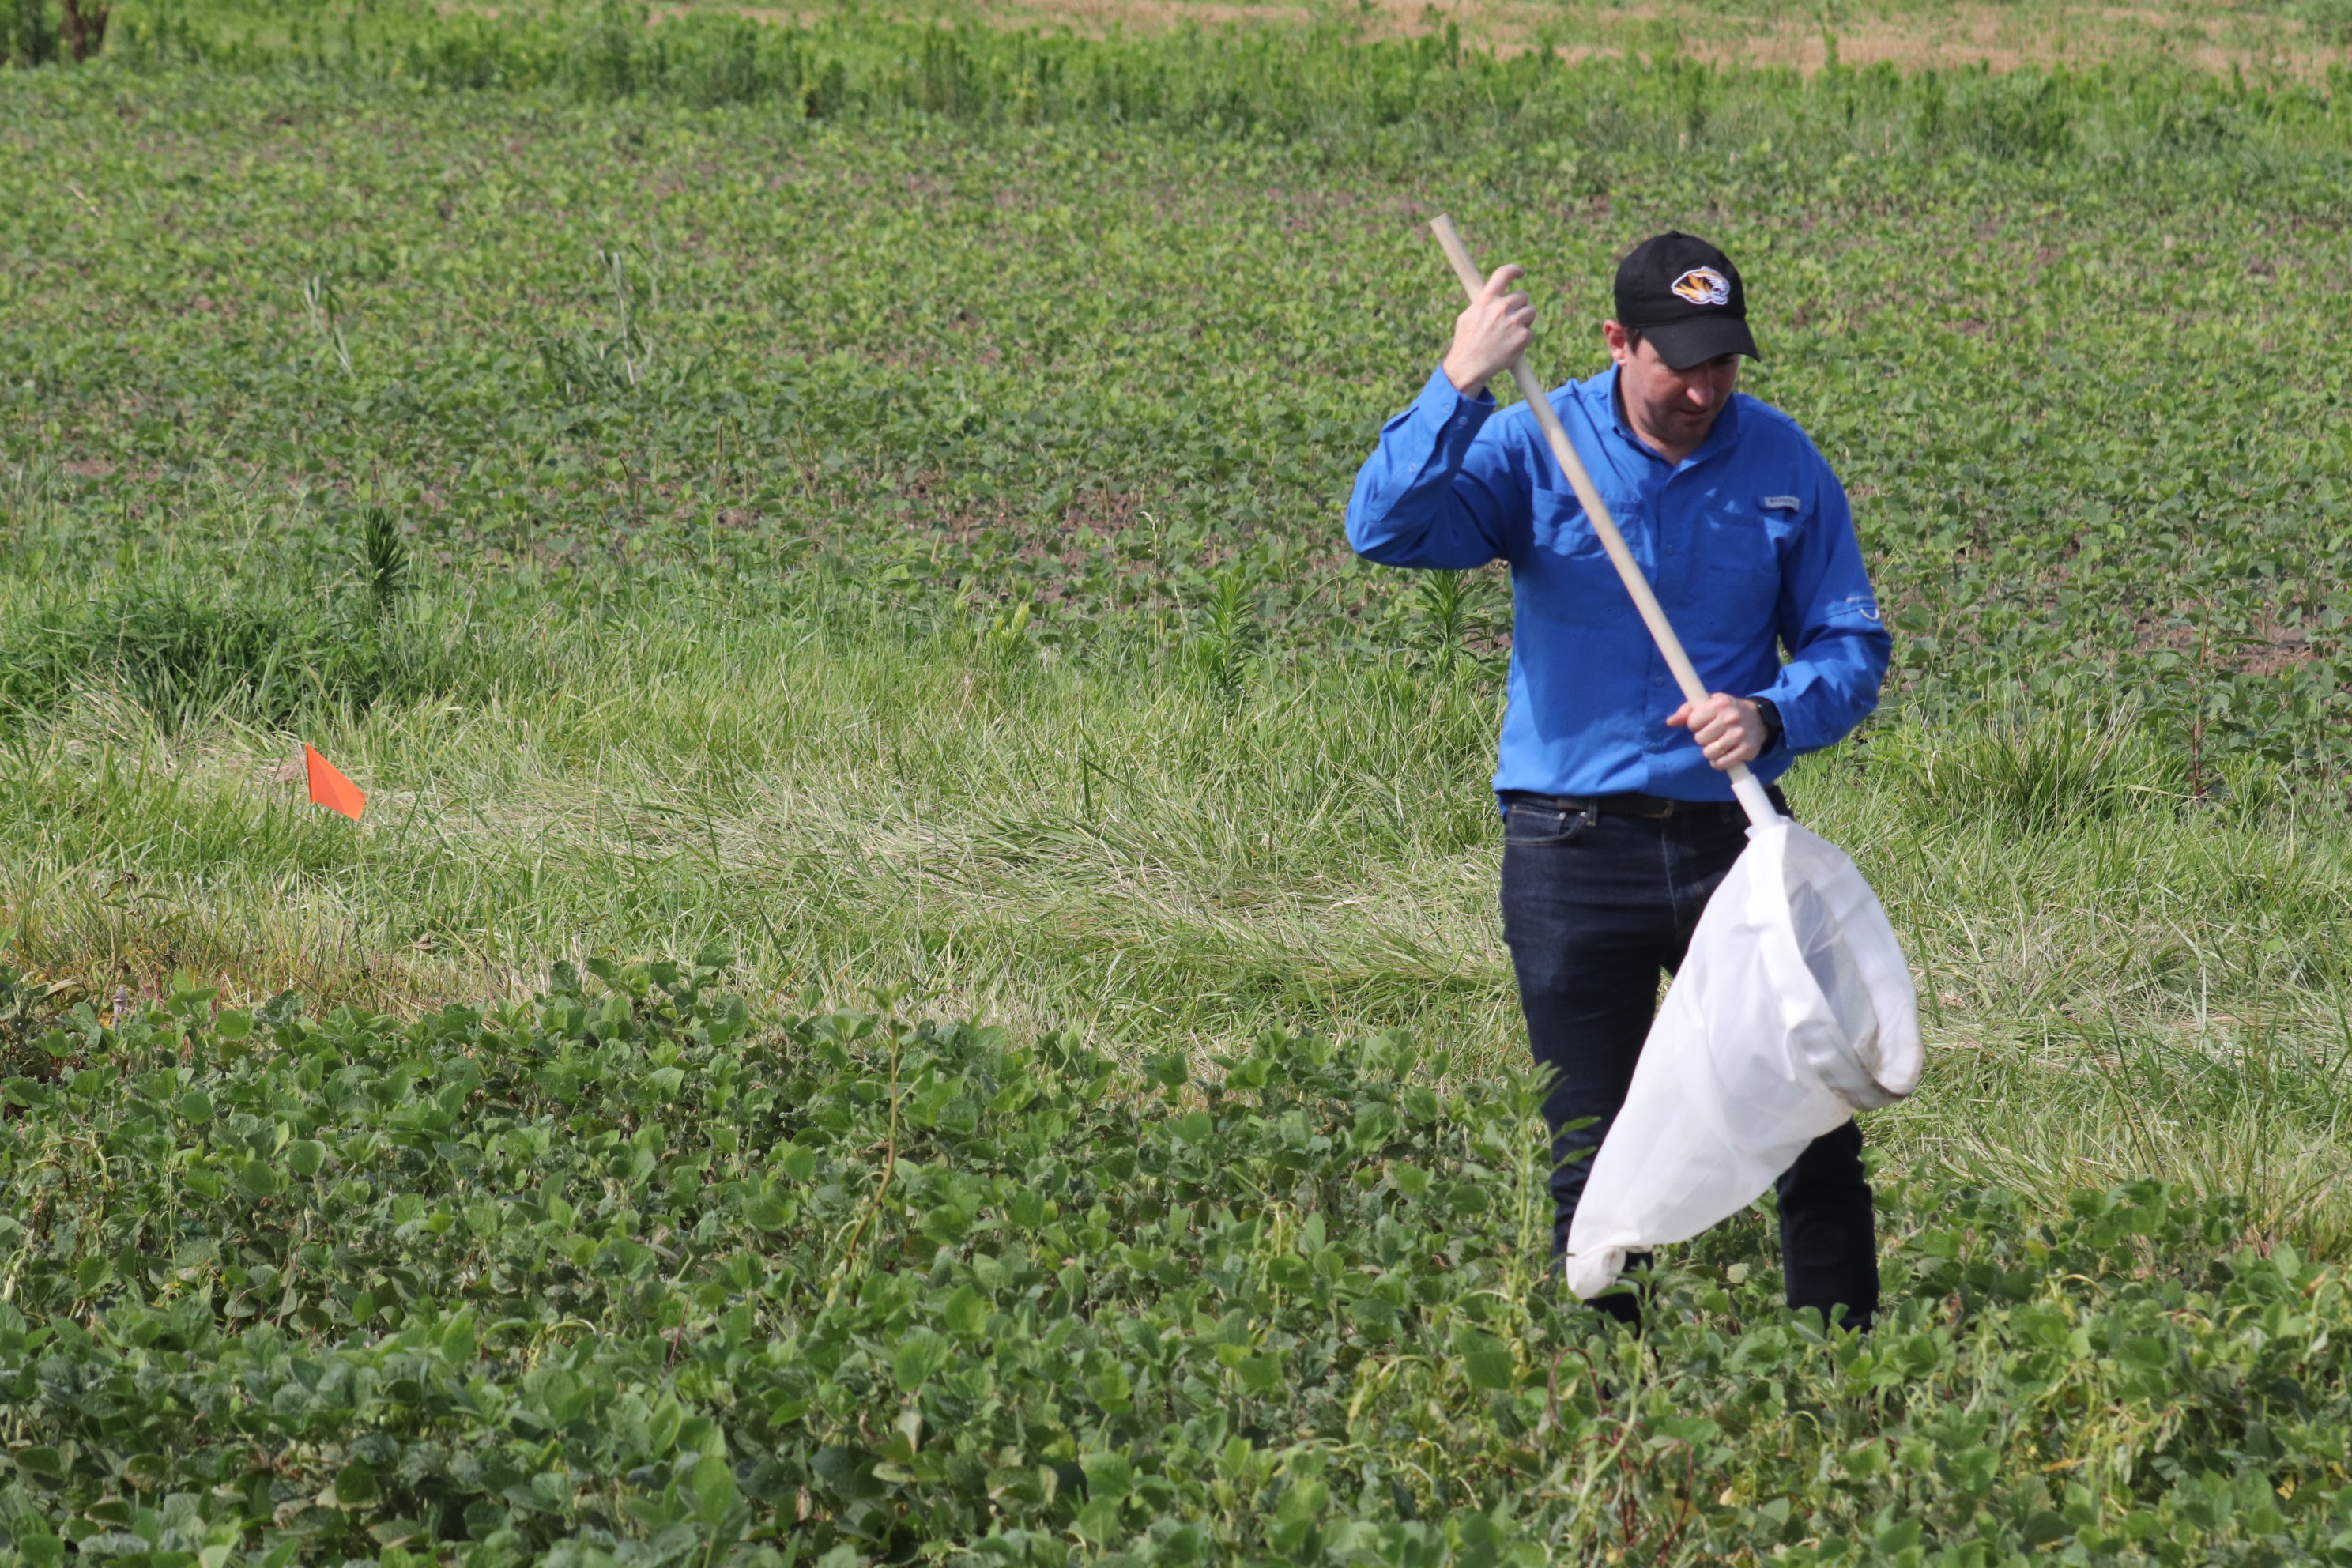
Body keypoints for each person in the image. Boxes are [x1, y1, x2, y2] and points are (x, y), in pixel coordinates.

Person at [1344, 232, 1891, 1329]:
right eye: (1675, 362)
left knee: (1813, 1123)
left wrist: (1773, 713)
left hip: (1732, 843)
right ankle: (1607, 1395)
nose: (1700, 389)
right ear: (1615, 342)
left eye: (1721, 363)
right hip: (1567, 846)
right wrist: (1459, 380)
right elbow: (1384, 530)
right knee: (1589, 1150)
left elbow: (1851, 643)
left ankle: (1845, 1376)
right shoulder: (1535, 442)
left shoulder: (1784, 464)